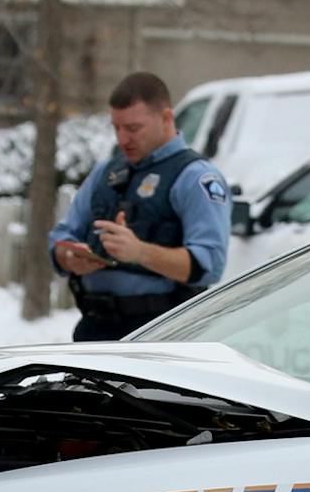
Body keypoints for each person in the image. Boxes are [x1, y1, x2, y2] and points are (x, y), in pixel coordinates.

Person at [50, 71, 232, 341]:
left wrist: (140, 252)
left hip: (161, 334)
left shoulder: (195, 177)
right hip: (95, 328)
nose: (123, 139)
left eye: (133, 128)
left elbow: (210, 265)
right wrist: (70, 258)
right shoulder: (105, 172)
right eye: (116, 128)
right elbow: (61, 236)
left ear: (167, 118)